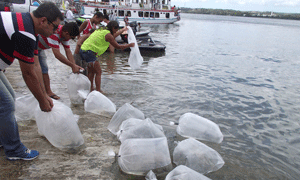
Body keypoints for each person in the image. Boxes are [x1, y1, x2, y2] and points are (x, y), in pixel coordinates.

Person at [0, 2, 63, 161]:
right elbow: (27, 73)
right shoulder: (25, 32)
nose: (56, 31)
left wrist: (44, 95)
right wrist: (42, 101)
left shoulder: (30, 29)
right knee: (6, 103)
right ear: (43, 21)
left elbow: (35, 66)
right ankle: (14, 150)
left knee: (9, 97)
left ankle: (4, 138)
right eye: (55, 27)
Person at [79, 21, 135, 93]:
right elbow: (117, 46)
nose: (116, 32)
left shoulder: (101, 30)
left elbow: (113, 36)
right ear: (113, 28)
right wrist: (129, 45)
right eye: (116, 30)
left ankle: (91, 88)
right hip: (90, 52)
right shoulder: (108, 35)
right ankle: (98, 91)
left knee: (91, 72)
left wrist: (122, 30)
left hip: (83, 50)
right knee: (98, 72)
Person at [38, 22, 82, 100]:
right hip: (33, 47)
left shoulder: (64, 34)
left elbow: (68, 51)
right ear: (66, 33)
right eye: (71, 37)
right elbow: (57, 54)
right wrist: (72, 65)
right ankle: (41, 93)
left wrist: (74, 65)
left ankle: (47, 92)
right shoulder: (54, 33)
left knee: (44, 70)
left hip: (39, 49)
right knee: (38, 70)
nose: (70, 39)